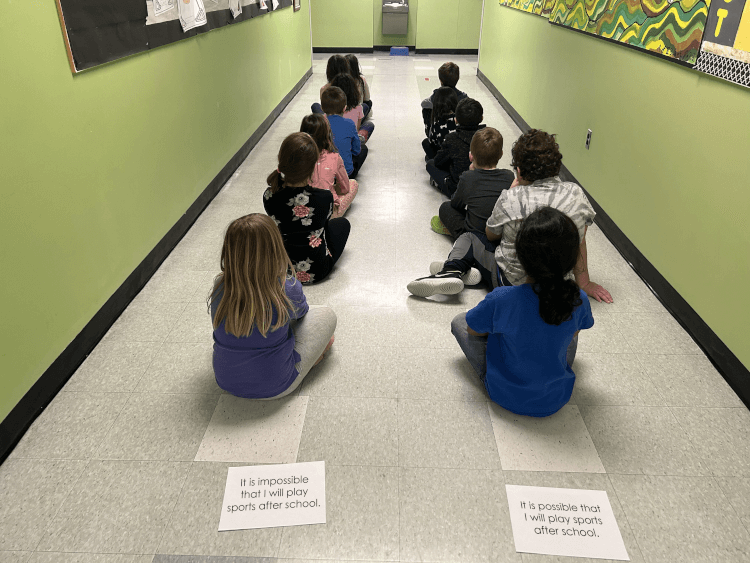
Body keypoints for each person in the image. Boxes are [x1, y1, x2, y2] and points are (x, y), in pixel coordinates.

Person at [408, 129, 613, 305]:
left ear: (519, 170)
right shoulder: (576, 194)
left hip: (510, 283)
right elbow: (580, 240)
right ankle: (465, 271)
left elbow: (490, 235)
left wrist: (510, 193)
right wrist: (584, 282)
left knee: (470, 238)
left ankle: (452, 269)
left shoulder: (512, 197)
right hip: (556, 285)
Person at [450, 207, 595, 417]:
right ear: (572, 259)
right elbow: (574, 334)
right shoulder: (578, 299)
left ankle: (493, 374)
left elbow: (473, 330)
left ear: (519, 256)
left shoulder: (502, 298)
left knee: (460, 321)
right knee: (567, 328)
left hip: (504, 394)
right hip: (557, 397)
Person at [209, 214, 337, 399]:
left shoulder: (219, 285)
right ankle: (310, 360)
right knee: (326, 314)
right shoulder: (287, 286)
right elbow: (302, 314)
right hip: (278, 386)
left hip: (226, 382)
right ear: (276, 247)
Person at [263, 132, 351, 284]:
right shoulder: (324, 197)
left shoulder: (269, 195)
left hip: (285, 270)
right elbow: (324, 226)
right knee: (342, 224)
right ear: (313, 167)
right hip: (318, 270)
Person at [432, 127, 514, 237]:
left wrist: (470, 173)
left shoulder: (468, 177)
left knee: (445, 207)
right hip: (497, 232)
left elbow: (456, 204)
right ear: (501, 154)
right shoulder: (509, 176)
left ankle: (456, 234)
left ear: (471, 156)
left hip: (473, 233)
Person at [301, 113, 358, 218]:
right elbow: (345, 188)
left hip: (300, 210)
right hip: (325, 213)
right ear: (327, 134)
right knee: (353, 184)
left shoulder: (296, 156)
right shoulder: (334, 157)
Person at [426, 98, 485, 198]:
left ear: (456, 119)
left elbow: (438, 162)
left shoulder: (452, 138)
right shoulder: (486, 136)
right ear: (481, 118)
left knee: (430, 164)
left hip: (457, 188)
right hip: (481, 184)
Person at [322, 86, 368, 178]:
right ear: (344, 108)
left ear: (322, 108)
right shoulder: (350, 124)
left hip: (322, 175)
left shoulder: (318, 123)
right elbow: (356, 151)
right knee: (363, 149)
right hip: (344, 175)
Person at [329, 73, 375, 144]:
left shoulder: (330, 108)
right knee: (369, 124)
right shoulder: (358, 107)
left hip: (332, 142)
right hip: (350, 142)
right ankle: (360, 140)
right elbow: (356, 129)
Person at [421, 62, 468, 128]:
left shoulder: (432, 100)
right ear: (457, 78)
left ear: (441, 81)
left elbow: (424, 104)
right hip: (459, 134)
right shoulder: (465, 99)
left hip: (436, 132)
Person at [422, 86, 458, 161]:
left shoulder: (436, 123)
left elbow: (432, 140)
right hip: (460, 155)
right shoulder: (459, 118)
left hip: (445, 159)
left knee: (425, 143)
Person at [344, 54, 371, 119]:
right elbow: (367, 98)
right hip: (356, 112)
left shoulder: (339, 79)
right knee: (368, 104)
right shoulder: (361, 79)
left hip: (342, 111)